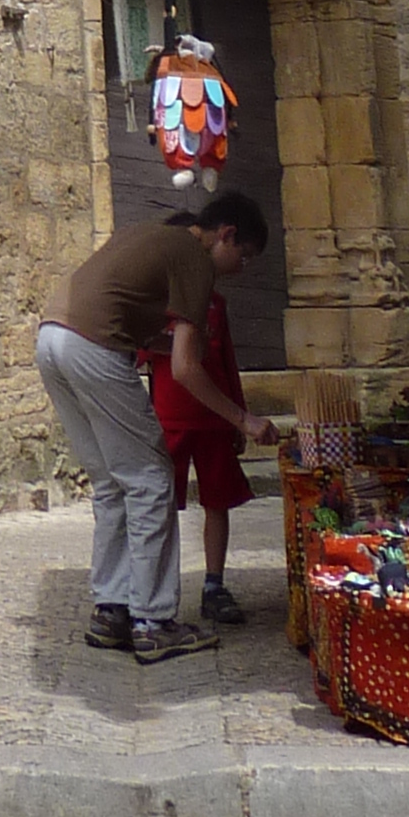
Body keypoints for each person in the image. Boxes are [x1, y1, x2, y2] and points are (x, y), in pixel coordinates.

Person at [37, 189, 277, 661]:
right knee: (151, 480)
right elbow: (187, 369)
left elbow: (149, 330)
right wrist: (244, 420)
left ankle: (111, 611)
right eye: (243, 257)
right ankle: (154, 621)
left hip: (51, 338)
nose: (241, 268)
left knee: (111, 483)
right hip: (92, 346)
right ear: (225, 235)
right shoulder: (194, 258)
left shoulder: (147, 235)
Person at [143, 266, 254, 625]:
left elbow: (227, 361)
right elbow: (139, 353)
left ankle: (214, 584)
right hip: (170, 421)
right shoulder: (158, 308)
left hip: (213, 419)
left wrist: (239, 414)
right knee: (161, 506)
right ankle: (156, 588)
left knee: (218, 501)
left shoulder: (216, 304)